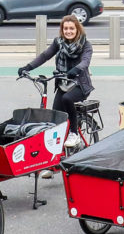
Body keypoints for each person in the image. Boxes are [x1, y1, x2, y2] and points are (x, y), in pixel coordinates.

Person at [20, 13, 95, 144]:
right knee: (56, 116)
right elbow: (45, 56)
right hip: (63, 83)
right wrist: (27, 67)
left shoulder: (85, 45)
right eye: (65, 28)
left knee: (67, 99)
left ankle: (74, 134)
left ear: (77, 29)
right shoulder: (58, 42)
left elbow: (85, 61)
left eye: (71, 28)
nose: (68, 31)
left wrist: (76, 70)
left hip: (79, 84)